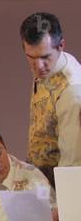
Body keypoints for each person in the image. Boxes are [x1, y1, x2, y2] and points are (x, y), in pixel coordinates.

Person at [21, 12, 81, 183]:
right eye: (31, 58)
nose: (38, 67)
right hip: (39, 176)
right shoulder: (46, 67)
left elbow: (73, 162)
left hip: (59, 184)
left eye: (44, 57)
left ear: (61, 45)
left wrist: (61, 204)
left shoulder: (72, 91)